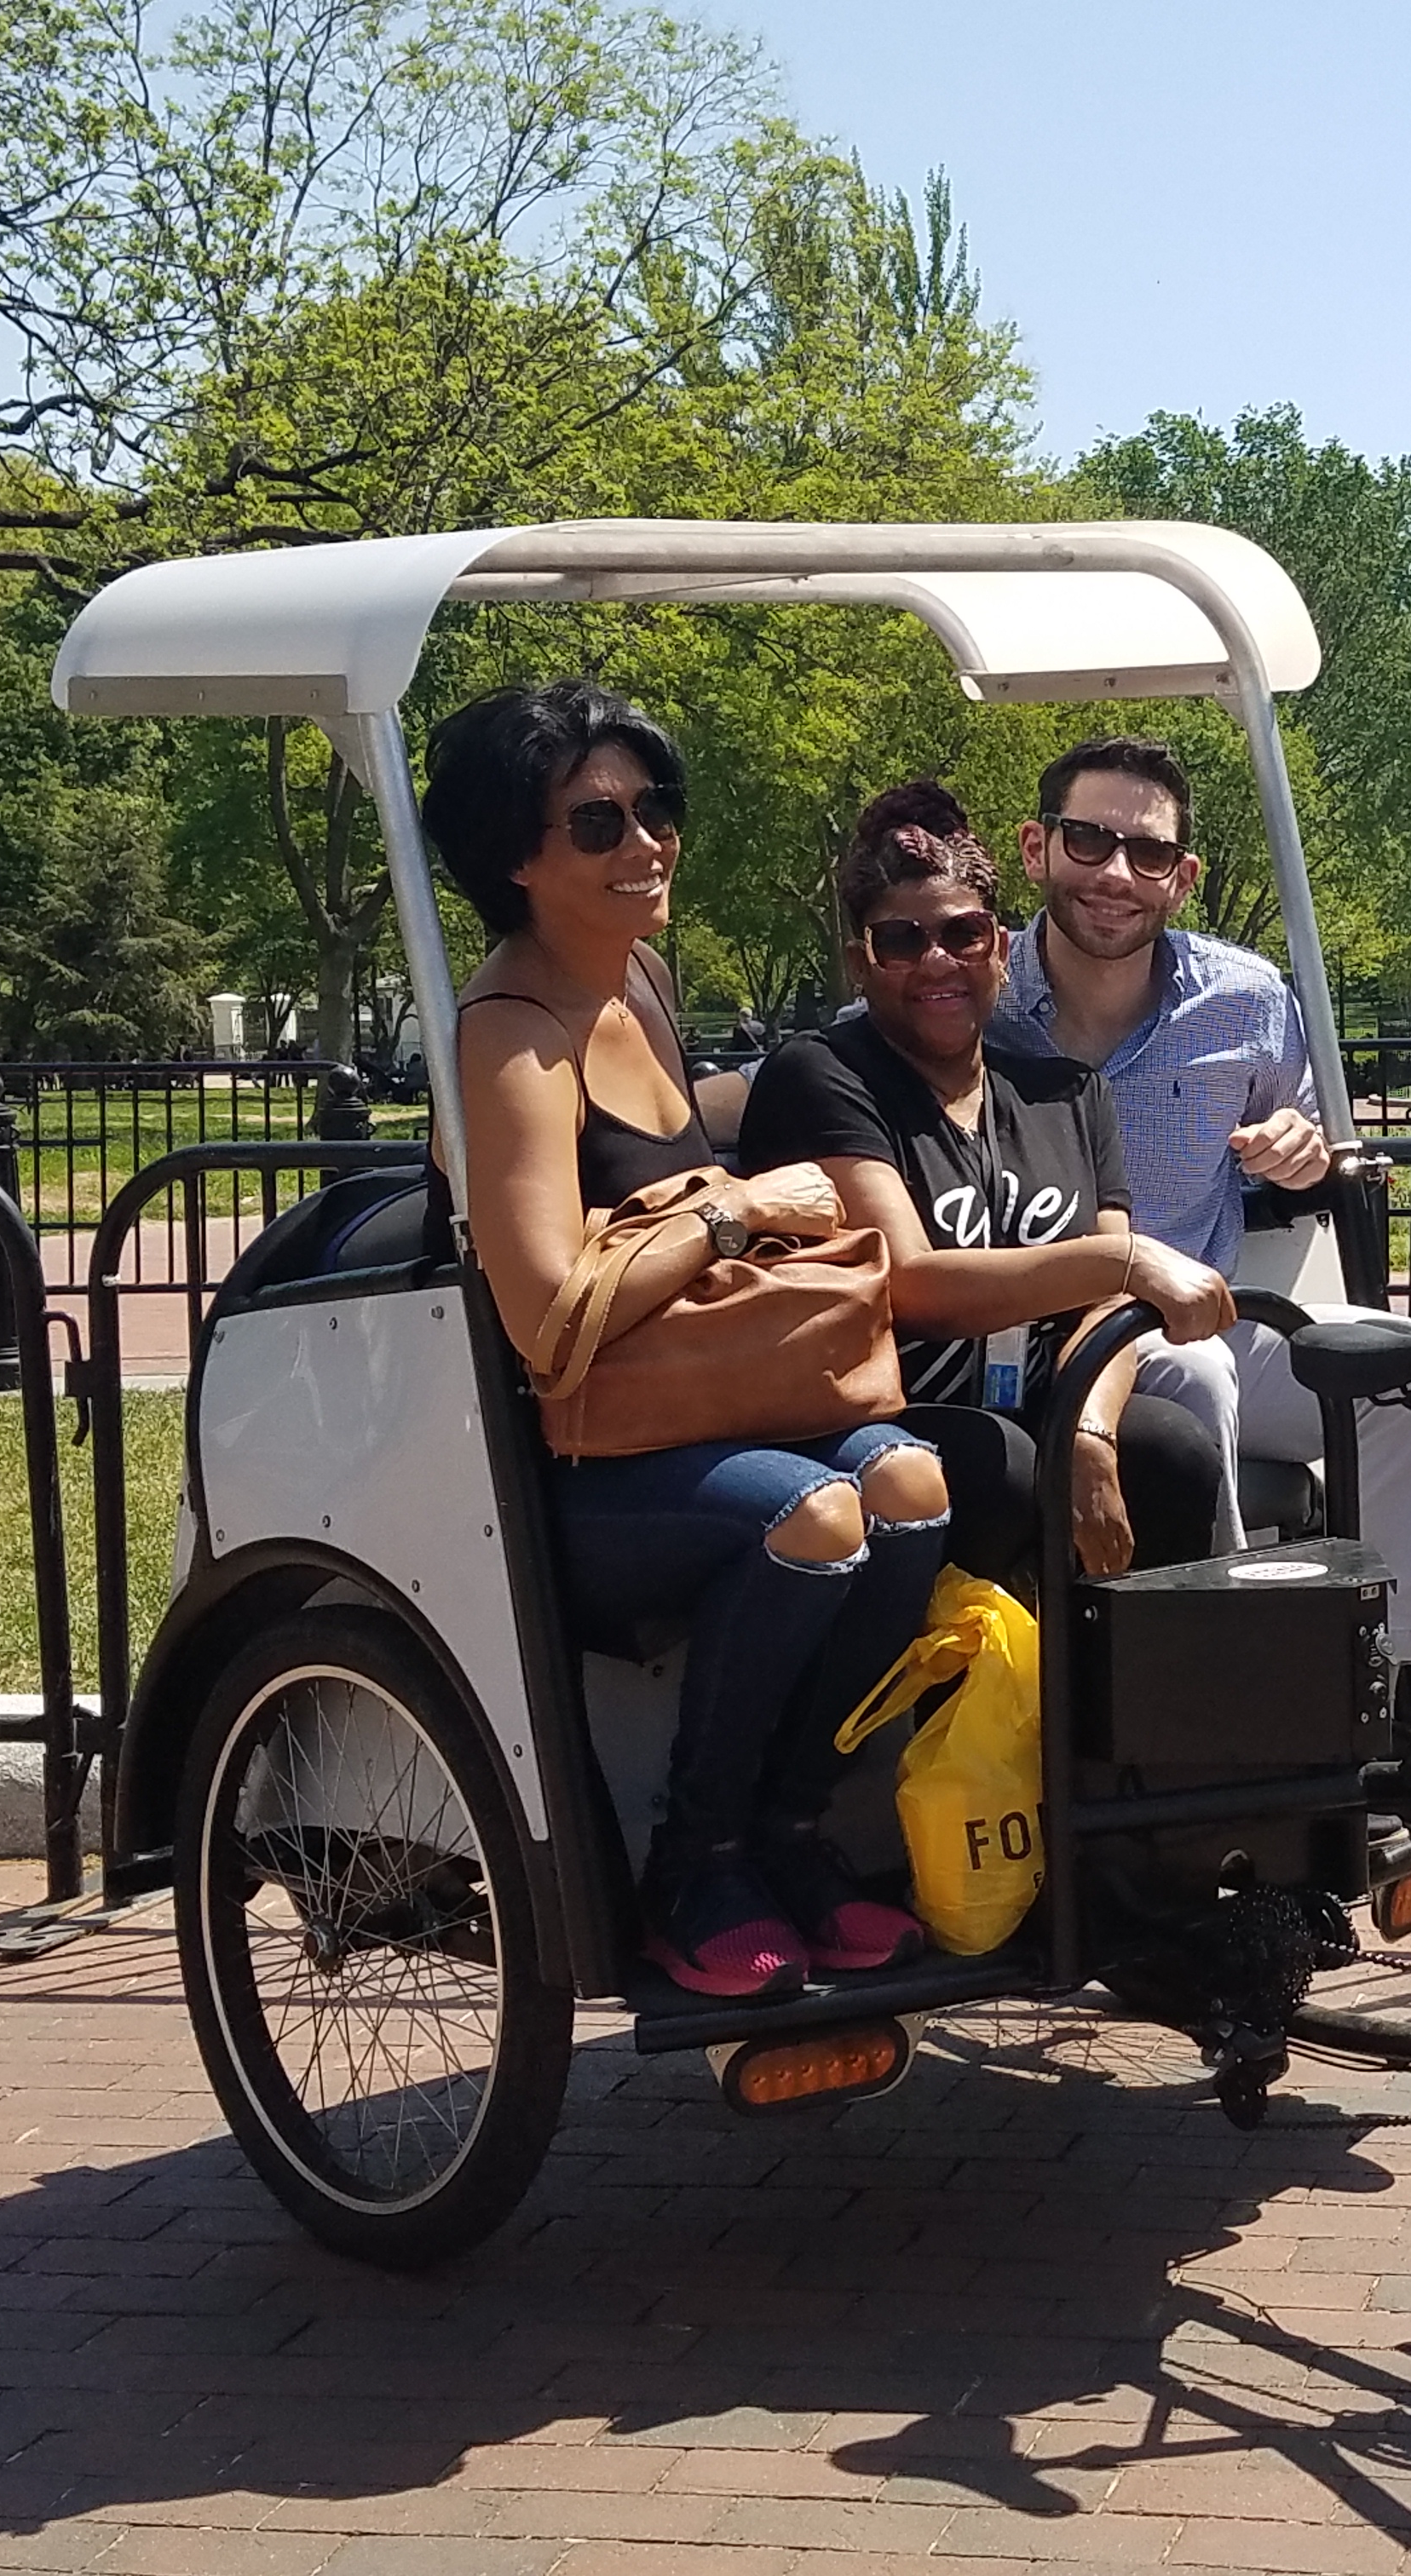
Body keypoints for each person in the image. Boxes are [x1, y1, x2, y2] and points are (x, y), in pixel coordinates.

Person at [429, 681, 948, 2004]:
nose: (647, 842)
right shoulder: (510, 1037)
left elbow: (684, 1145)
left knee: (910, 1483)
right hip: (590, 1466)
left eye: (656, 807)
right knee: (815, 1515)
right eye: (597, 823)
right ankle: (694, 1862)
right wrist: (734, 1212)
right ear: (514, 855)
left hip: (715, 1413)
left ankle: (793, 1827)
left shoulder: (641, 982)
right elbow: (546, 1317)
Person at [988, 735, 1411, 1720]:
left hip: (1199, 1318)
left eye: (1149, 852)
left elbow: (1317, 1141)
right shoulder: (970, 993)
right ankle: (1236, 1704)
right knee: (1198, 1375)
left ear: (1184, 876)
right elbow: (827, 1074)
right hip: (1019, 1340)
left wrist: (1304, 1149)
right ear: (1036, 848)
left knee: (1405, 1370)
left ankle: (1409, 1704)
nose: (1117, 873)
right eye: (1089, 840)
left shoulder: (1244, 999)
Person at [735, 781, 1234, 1587]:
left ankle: (1146, 1672)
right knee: (1003, 1468)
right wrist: (1126, 1259)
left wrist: (1089, 1431)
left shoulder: (1069, 1095)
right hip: (878, 1418)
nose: (937, 960)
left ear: (999, 949)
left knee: (1170, 1452)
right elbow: (911, 1285)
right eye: (902, 941)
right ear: (861, 964)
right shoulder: (824, 1077)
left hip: (1040, 1402)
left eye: (963, 934)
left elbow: (1107, 1311)